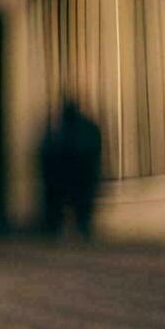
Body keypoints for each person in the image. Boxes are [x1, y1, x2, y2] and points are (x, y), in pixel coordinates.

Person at [39, 100, 102, 239]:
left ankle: (61, 228)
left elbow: (48, 156)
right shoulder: (84, 129)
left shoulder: (58, 132)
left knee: (69, 207)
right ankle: (81, 228)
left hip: (68, 180)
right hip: (80, 179)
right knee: (82, 209)